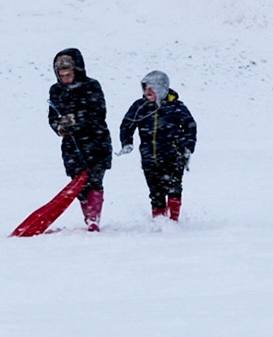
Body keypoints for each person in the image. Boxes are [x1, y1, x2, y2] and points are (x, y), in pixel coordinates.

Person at [117, 70, 198, 221]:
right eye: (145, 88)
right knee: (156, 191)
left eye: (152, 88)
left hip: (174, 156)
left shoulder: (176, 107)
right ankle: (159, 221)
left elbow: (190, 127)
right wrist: (127, 142)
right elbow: (127, 124)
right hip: (149, 157)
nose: (147, 92)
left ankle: (173, 220)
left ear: (161, 89)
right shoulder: (140, 107)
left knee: (174, 187)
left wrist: (188, 147)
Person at [46, 48, 111, 232]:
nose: (65, 78)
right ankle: (87, 215)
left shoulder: (92, 86)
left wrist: (76, 121)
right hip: (71, 146)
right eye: (62, 75)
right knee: (78, 185)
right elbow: (52, 116)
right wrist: (59, 127)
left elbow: (98, 113)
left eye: (69, 74)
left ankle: (93, 219)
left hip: (96, 142)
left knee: (95, 180)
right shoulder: (56, 91)